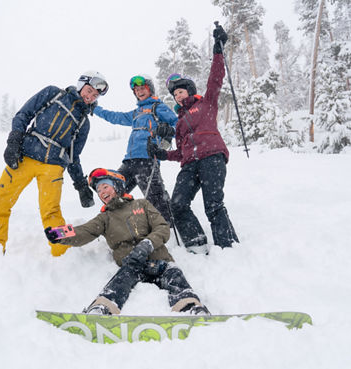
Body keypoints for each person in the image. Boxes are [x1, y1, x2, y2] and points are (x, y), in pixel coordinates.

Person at [44, 168, 210, 315]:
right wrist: (59, 234)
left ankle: (189, 307)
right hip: (131, 266)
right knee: (119, 281)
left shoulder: (142, 204)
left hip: (160, 261)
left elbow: (162, 227)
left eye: (105, 186)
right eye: (98, 190)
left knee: (175, 275)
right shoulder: (105, 218)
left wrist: (147, 244)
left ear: (116, 185)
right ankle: (102, 309)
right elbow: (84, 231)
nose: (101, 192)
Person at [0, 71, 109, 257]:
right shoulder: (53, 94)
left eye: (94, 95)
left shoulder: (84, 122)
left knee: (52, 212)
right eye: (88, 91)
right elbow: (24, 114)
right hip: (24, 157)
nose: (90, 97)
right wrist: (14, 141)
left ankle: (63, 252)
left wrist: (81, 186)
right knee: (0, 202)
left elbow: (73, 156)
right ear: (81, 85)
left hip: (53, 167)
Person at [147, 25, 239, 254]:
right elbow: (181, 152)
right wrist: (163, 155)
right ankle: (197, 244)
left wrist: (218, 49)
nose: (178, 96)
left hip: (212, 158)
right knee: (177, 204)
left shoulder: (206, 104)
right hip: (189, 164)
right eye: (174, 94)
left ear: (189, 90)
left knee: (213, 205)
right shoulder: (179, 122)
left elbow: (215, 79)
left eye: (181, 91)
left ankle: (227, 248)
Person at [92, 74, 177, 224]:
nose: (139, 91)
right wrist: (95, 109)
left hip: (147, 159)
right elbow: (115, 117)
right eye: (136, 90)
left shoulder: (158, 107)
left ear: (150, 89)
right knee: (115, 192)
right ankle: (116, 226)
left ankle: (167, 226)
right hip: (129, 161)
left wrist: (169, 131)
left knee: (155, 197)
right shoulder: (136, 113)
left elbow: (178, 125)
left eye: (142, 88)